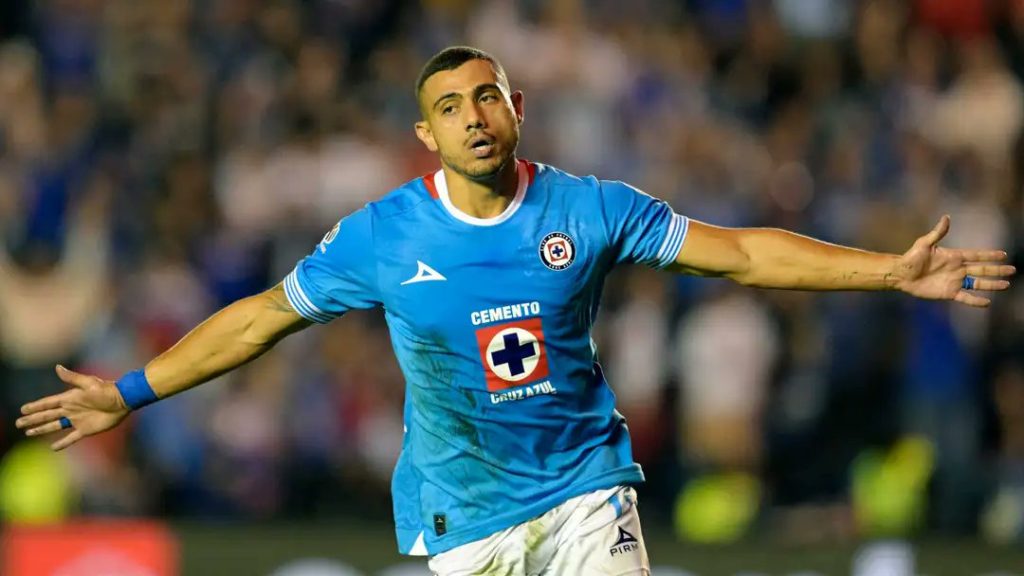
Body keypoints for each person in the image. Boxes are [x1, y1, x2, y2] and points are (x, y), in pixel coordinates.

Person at [15, 46, 1015, 575]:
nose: (474, 117)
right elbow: (259, 319)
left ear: (518, 107)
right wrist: (128, 393)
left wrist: (889, 273)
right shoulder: (382, 236)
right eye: (451, 107)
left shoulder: (590, 208)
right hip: (463, 515)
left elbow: (745, 253)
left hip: (585, 490)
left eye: (486, 96)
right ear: (426, 135)